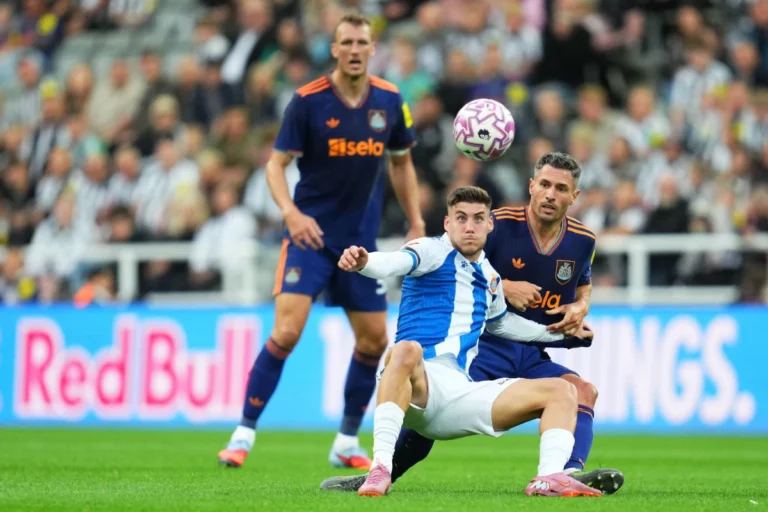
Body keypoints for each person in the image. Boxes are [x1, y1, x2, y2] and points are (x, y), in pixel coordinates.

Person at [321, 152, 624, 494]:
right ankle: (379, 471)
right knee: (413, 374)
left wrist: (570, 325)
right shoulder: (458, 239)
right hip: (453, 364)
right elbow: (402, 261)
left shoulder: (555, 252)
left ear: (574, 196)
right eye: (544, 185)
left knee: (572, 390)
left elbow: (519, 313)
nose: (469, 226)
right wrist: (364, 261)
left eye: (560, 188)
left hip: (495, 370)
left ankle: (557, 475)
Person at [217, 12, 424, 470]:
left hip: (360, 249)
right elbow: (274, 165)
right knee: (287, 331)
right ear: (334, 49)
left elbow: (402, 163)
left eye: (361, 42)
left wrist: (415, 220)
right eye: (345, 42)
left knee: (374, 342)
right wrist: (291, 214)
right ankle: (243, 435)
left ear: (372, 49)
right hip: (309, 238)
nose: (353, 49)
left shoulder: (390, 101)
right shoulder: (308, 101)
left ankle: (346, 441)